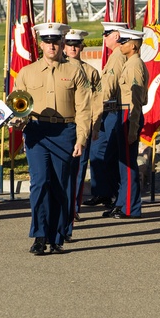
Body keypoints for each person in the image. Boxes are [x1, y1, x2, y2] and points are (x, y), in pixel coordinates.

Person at [12, 22, 93, 254]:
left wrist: (81, 138)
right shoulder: (27, 72)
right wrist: (15, 120)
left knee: (61, 186)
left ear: (62, 44)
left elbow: (84, 108)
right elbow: (18, 106)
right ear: (40, 44)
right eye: (47, 41)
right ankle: (39, 235)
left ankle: (57, 235)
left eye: (56, 42)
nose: (52, 46)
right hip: (37, 132)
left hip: (65, 133)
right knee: (39, 184)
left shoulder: (75, 71)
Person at [104, 26, 148, 219]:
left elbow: (136, 100)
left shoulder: (134, 65)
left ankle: (131, 207)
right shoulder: (130, 63)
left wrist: (133, 126)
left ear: (133, 45)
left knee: (128, 164)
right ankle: (123, 203)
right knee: (123, 163)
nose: (120, 45)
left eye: (124, 42)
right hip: (123, 113)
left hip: (129, 115)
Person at [85, 21, 128, 208]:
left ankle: (111, 195)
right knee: (99, 151)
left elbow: (108, 88)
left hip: (112, 110)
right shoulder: (115, 55)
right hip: (110, 111)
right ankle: (103, 192)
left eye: (107, 33)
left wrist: (94, 108)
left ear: (116, 35)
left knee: (107, 154)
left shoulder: (118, 56)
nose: (104, 37)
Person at [63, 28, 101, 237]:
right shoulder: (59, 68)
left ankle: (73, 209)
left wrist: (93, 126)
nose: (73, 48)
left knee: (77, 171)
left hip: (81, 126)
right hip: (62, 125)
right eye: (70, 44)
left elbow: (97, 102)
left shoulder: (90, 72)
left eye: (77, 45)